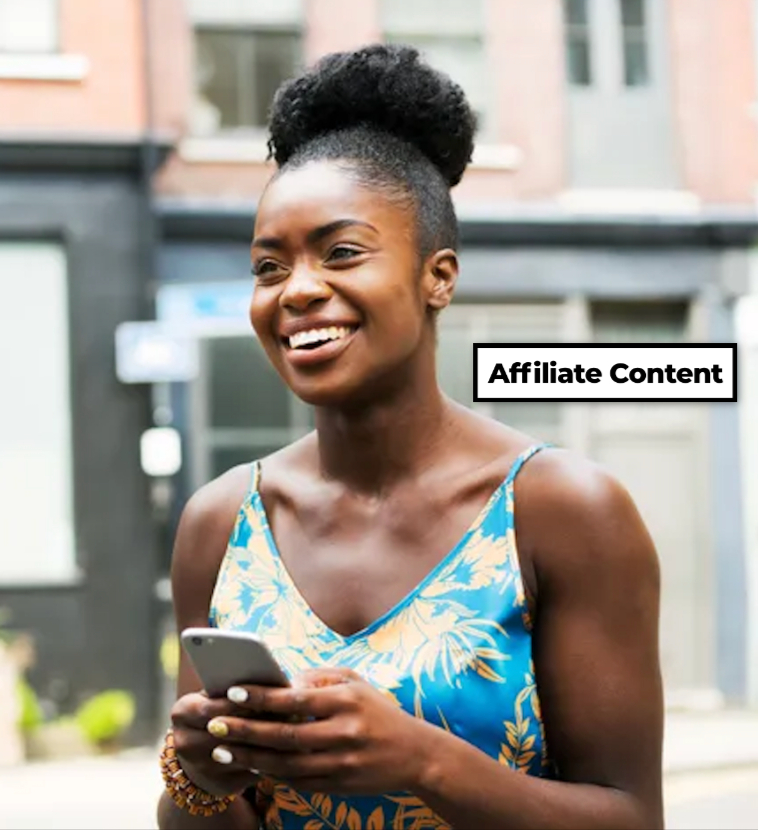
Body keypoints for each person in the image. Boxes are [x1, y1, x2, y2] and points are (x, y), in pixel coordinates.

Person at [156, 44, 664, 830]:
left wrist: (422, 760)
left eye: (342, 253)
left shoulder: (564, 511)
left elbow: (631, 818)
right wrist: (197, 778)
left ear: (439, 275)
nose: (298, 290)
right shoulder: (222, 523)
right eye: (267, 267)